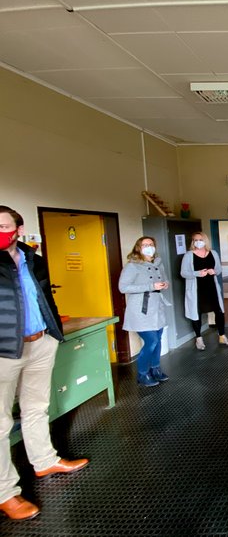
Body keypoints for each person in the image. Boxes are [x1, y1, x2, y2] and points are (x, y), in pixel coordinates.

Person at [0, 206, 89, 521]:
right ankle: (6, 494)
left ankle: (45, 461)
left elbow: (44, 297)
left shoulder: (33, 259)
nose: (0, 232)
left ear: (18, 229)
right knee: (0, 423)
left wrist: (53, 332)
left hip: (40, 342)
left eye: (4, 226)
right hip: (4, 350)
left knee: (37, 407)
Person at [119, 236, 170, 387]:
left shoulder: (158, 263)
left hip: (157, 306)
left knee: (158, 339)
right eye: (145, 245)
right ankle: (142, 373)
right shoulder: (132, 266)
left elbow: (165, 279)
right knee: (151, 341)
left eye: (151, 244)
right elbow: (123, 287)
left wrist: (165, 284)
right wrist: (150, 286)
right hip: (141, 309)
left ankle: (155, 369)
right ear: (138, 248)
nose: (149, 247)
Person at [181, 232, 228, 350]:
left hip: (212, 288)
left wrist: (214, 271)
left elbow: (218, 269)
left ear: (205, 241)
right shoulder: (188, 255)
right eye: (195, 240)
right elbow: (183, 273)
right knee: (196, 313)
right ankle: (199, 338)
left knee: (219, 311)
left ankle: (222, 336)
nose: (198, 242)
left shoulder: (213, 253)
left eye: (200, 239)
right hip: (197, 289)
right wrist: (197, 273)